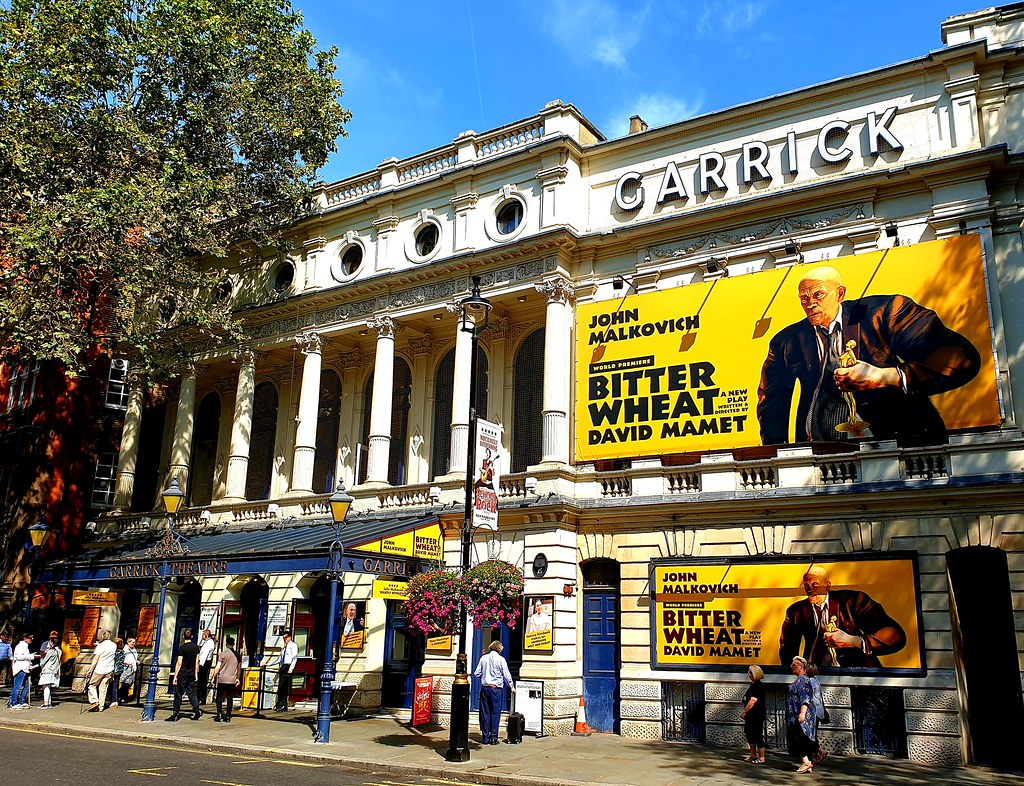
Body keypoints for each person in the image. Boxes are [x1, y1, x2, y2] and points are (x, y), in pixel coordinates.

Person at [757, 265, 981, 446]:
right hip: (820, 452)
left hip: (899, 444)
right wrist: (776, 454)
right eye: (804, 298)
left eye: (818, 295)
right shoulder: (786, 340)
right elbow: (771, 402)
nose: (811, 304)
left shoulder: (884, 312)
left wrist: (886, 377)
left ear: (840, 293)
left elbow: (961, 357)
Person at [779, 565, 907, 668]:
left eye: (815, 584)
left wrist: (853, 641)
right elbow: (787, 649)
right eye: (806, 586)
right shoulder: (796, 611)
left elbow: (896, 635)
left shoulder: (853, 601)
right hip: (817, 675)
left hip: (857, 675)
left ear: (827, 585)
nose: (810, 589)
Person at [473, 640, 514, 746]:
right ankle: (494, 738)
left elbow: (477, 673)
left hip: (485, 688)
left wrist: (485, 675)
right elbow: (506, 675)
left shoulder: (483, 658)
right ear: (499, 649)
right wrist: (512, 687)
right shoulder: (501, 660)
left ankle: (485, 738)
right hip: (496, 689)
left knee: (485, 713)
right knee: (495, 714)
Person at [786, 656, 817, 774]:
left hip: (800, 715)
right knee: (802, 738)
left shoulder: (803, 680)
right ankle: (808, 763)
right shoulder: (799, 679)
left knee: (796, 738)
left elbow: (805, 698)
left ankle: (806, 762)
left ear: (801, 667)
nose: (792, 667)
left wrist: (802, 713)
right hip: (795, 715)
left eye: (794, 665)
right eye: (791, 665)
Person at [166, 628, 202, 722]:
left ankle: (175, 713)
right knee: (191, 692)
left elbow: (179, 663)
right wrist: (196, 673)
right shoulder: (196, 648)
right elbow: (197, 662)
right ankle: (197, 710)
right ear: (192, 637)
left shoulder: (182, 648)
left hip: (182, 673)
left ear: (183, 637)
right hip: (191, 673)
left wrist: (175, 676)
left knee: (178, 693)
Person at [740, 665, 766, 764]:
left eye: (750, 672)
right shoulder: (752, 685)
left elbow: (753, 700)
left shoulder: (758, 685)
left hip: (756, 714)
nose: (748, 674)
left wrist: (744, 711)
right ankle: (753, 755)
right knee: (750, 734)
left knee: (757, 735)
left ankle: (762, 757)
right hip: (751, 715)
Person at [211, 635, 240, 723]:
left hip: (222, 679)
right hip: (231, 680)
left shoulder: (222, 654)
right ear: (233, 644)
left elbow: (217, 667)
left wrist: (213, 678)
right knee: (230, 697)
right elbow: (239, 669)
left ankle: (219, 714)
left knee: (219, 697)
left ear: (226, 644)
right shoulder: (237, 655)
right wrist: (238, 678)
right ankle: (228, 716)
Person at [87, 630, 117, 712]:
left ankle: (94, 701)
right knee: (103, 688)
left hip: (100, 669)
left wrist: (90, 670)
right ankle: (101, 706)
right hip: (109, 669)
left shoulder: (100, 646)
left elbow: (96, 658)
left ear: (103, 636)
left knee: (92, 685)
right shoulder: (114, 645)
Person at [7, 632, 38, 708]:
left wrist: (30, 663)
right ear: (25, 638)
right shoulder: (21, 646)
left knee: (28, 685)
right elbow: (18, 657)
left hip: (25, 669)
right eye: (30, 637)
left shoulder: (26, 646)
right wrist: (31, 656)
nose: (32, 639)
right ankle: (13, 703)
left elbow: (26, 658)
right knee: (17, 686)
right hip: (20, 669)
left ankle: (22, 701)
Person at [806, 663, 828, 766]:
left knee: (811, 734)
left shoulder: (810, 681)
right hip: (818, 710)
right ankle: (813, 755)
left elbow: (808, 696)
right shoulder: (815, 680)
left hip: (813, 711)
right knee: (813, 734)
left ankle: (819, 752)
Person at [274, 629, 298, 712]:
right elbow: (279, 659)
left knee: (283, 686)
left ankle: (283, 704)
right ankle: (281, 704)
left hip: (287, 666)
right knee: (281, 687)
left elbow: (294, 658)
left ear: (290, 637)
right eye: (283, 638)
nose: (285, 639)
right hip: (283, 666)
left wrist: (291, 669)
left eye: (286, 637)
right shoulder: (284, 648)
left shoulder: (293, 645)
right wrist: (268, 664)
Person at [37, 637, 61, 708]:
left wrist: (36, 666)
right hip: (54, 670)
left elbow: (44, 661)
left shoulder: (51, 651)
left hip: (47, 670)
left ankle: (46, 703)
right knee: (48, 687)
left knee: (45, 686)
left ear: (52, 643)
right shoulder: (59, 651)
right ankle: (49, 703)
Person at [197, 628, 216, 704]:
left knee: (201, 681)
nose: (202, 636)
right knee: (202, 681)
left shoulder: (209, 643)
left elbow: (204, 655)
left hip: (204, 663)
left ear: (206, 635)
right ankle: (200, 697)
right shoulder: (208, 642)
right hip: (205, 663)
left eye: (203, 634)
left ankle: (201, 698)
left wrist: (200, 665)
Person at [109, 637, 126, 708]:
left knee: (111, 685)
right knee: (115, 685)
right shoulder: (123, 652)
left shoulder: (115, 652)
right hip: (119, 670)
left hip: (113, 670)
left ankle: (114, 700)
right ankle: (115, 700)